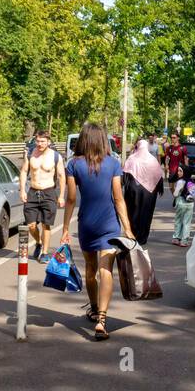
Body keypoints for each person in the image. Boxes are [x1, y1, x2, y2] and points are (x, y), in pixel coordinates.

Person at [62, 122, 134, 341]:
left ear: (83, 139)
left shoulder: (73, 165)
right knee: (106, 271)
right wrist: (128, 229)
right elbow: (118, 198)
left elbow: (72, 199)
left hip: (87, 225)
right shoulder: (113, 164)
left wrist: (65, 228)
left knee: (91, 269)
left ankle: (93, 308)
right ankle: (102, 319)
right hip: (109, 225)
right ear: (103, 140)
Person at [20, 130, 63, 261]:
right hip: (33, 191)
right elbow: (23, 172)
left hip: (49, 192)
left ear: (48, 142)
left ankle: (44, 253)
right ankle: (39, 242)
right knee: (31, 225)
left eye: (43, 141)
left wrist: (61, 196)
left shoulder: (56, 156)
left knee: (46, 224)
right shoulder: (30, 154)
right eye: (38, 141)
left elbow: (62, 176)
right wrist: (22, 190)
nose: (40, 144)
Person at [123, 139, 163, 245]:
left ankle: (133, 234)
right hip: (149, 193)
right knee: (147, 213)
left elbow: (125, 177)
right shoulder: (152, 160)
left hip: (133, 192)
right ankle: (143, 237)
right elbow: (159, 177)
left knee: (132, 212)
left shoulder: (132, 158)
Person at [171, 165, 195, 246]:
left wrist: (174, 190)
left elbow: (175, 194)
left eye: (180, 171)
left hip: (181, 203)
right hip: (190, 204)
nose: (178, 173)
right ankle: (184, 240)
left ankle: (176, 238)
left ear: (185, 172)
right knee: (187, 222)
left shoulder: (180, 182)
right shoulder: (192, 181)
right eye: (178, 171)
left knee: (178, 220)